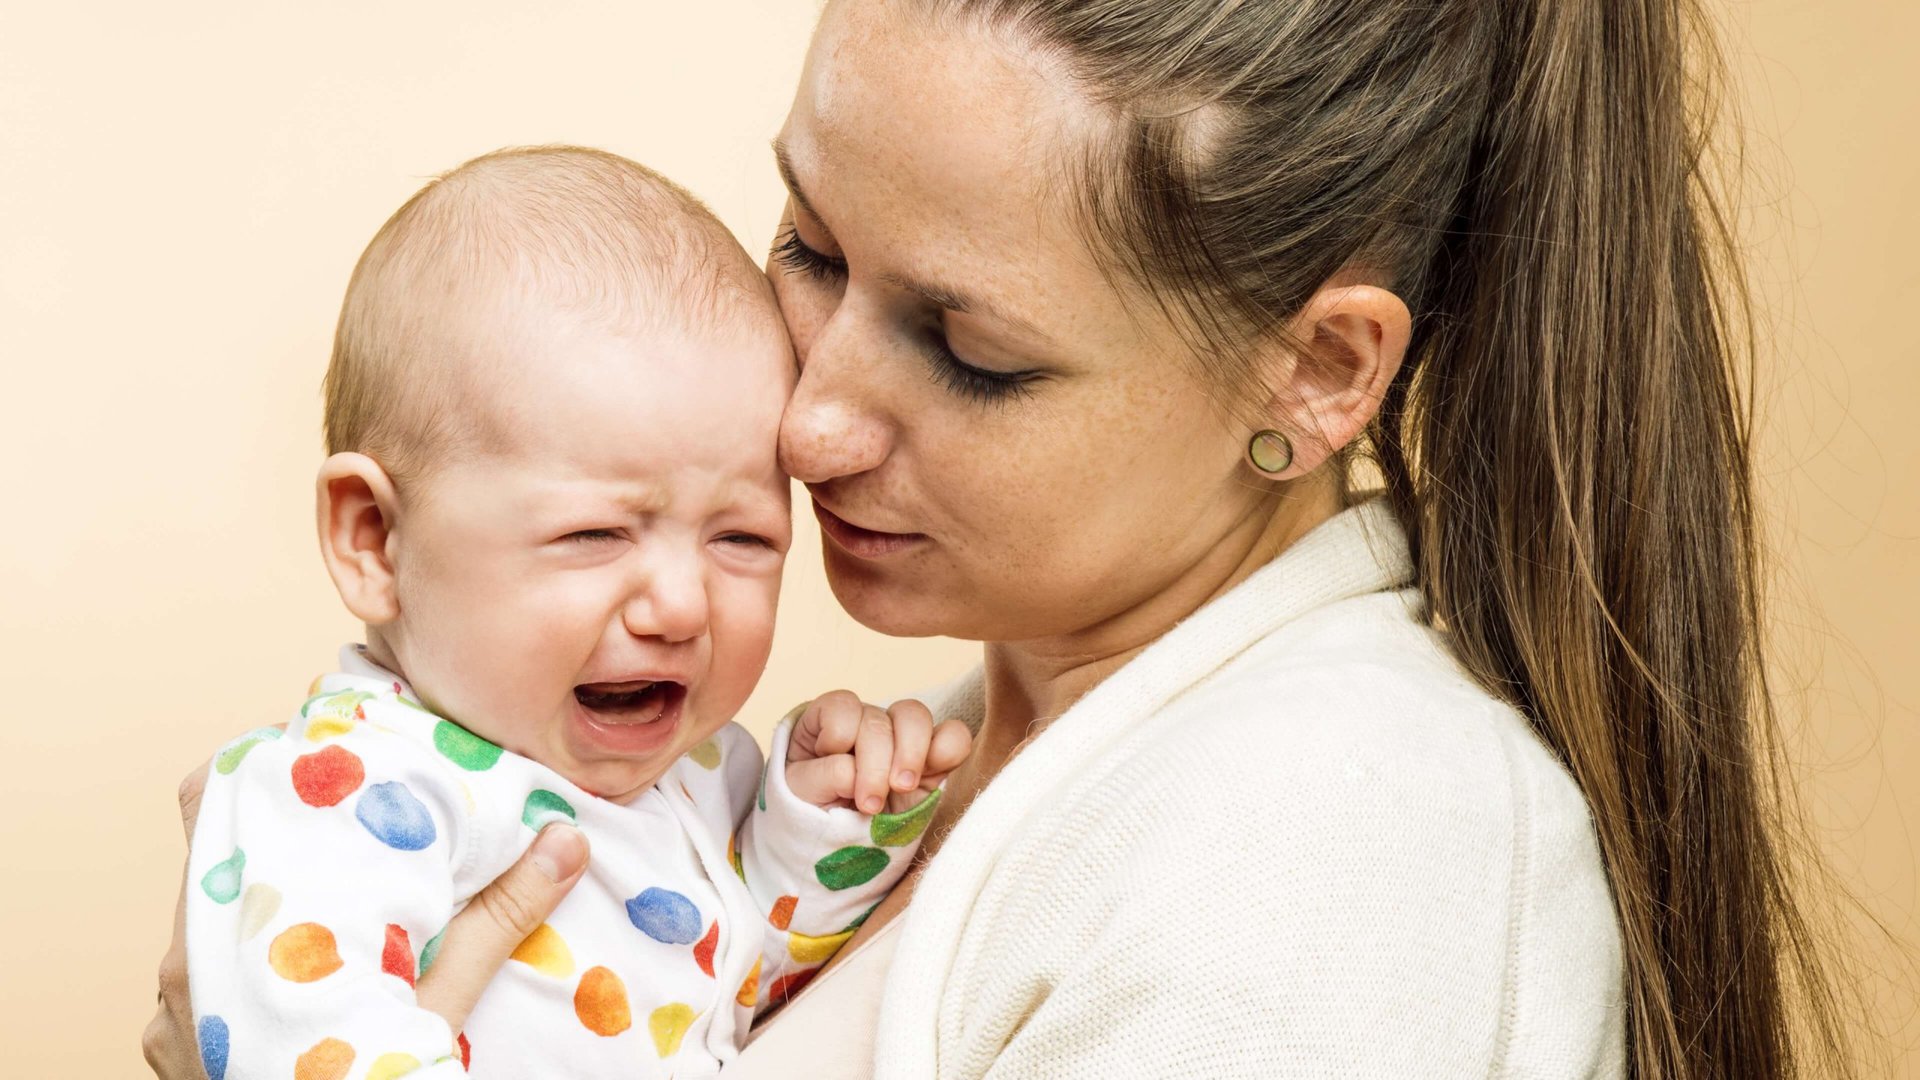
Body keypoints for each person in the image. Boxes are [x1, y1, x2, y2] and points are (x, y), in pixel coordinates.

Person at [151, 1, 1858, 1076]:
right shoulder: (950, 763)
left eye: (971, 350)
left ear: (1318, 371)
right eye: (809, 247)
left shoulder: (1339, 867)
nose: (807, 420)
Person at [175, 145, 970, 1079]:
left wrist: (822, 834)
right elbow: (301, 1051)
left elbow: (751, 1003)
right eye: (595, 534)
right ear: (374, 540)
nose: (682, 606)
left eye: (742, 541)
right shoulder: (348, 793)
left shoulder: (696, 775)